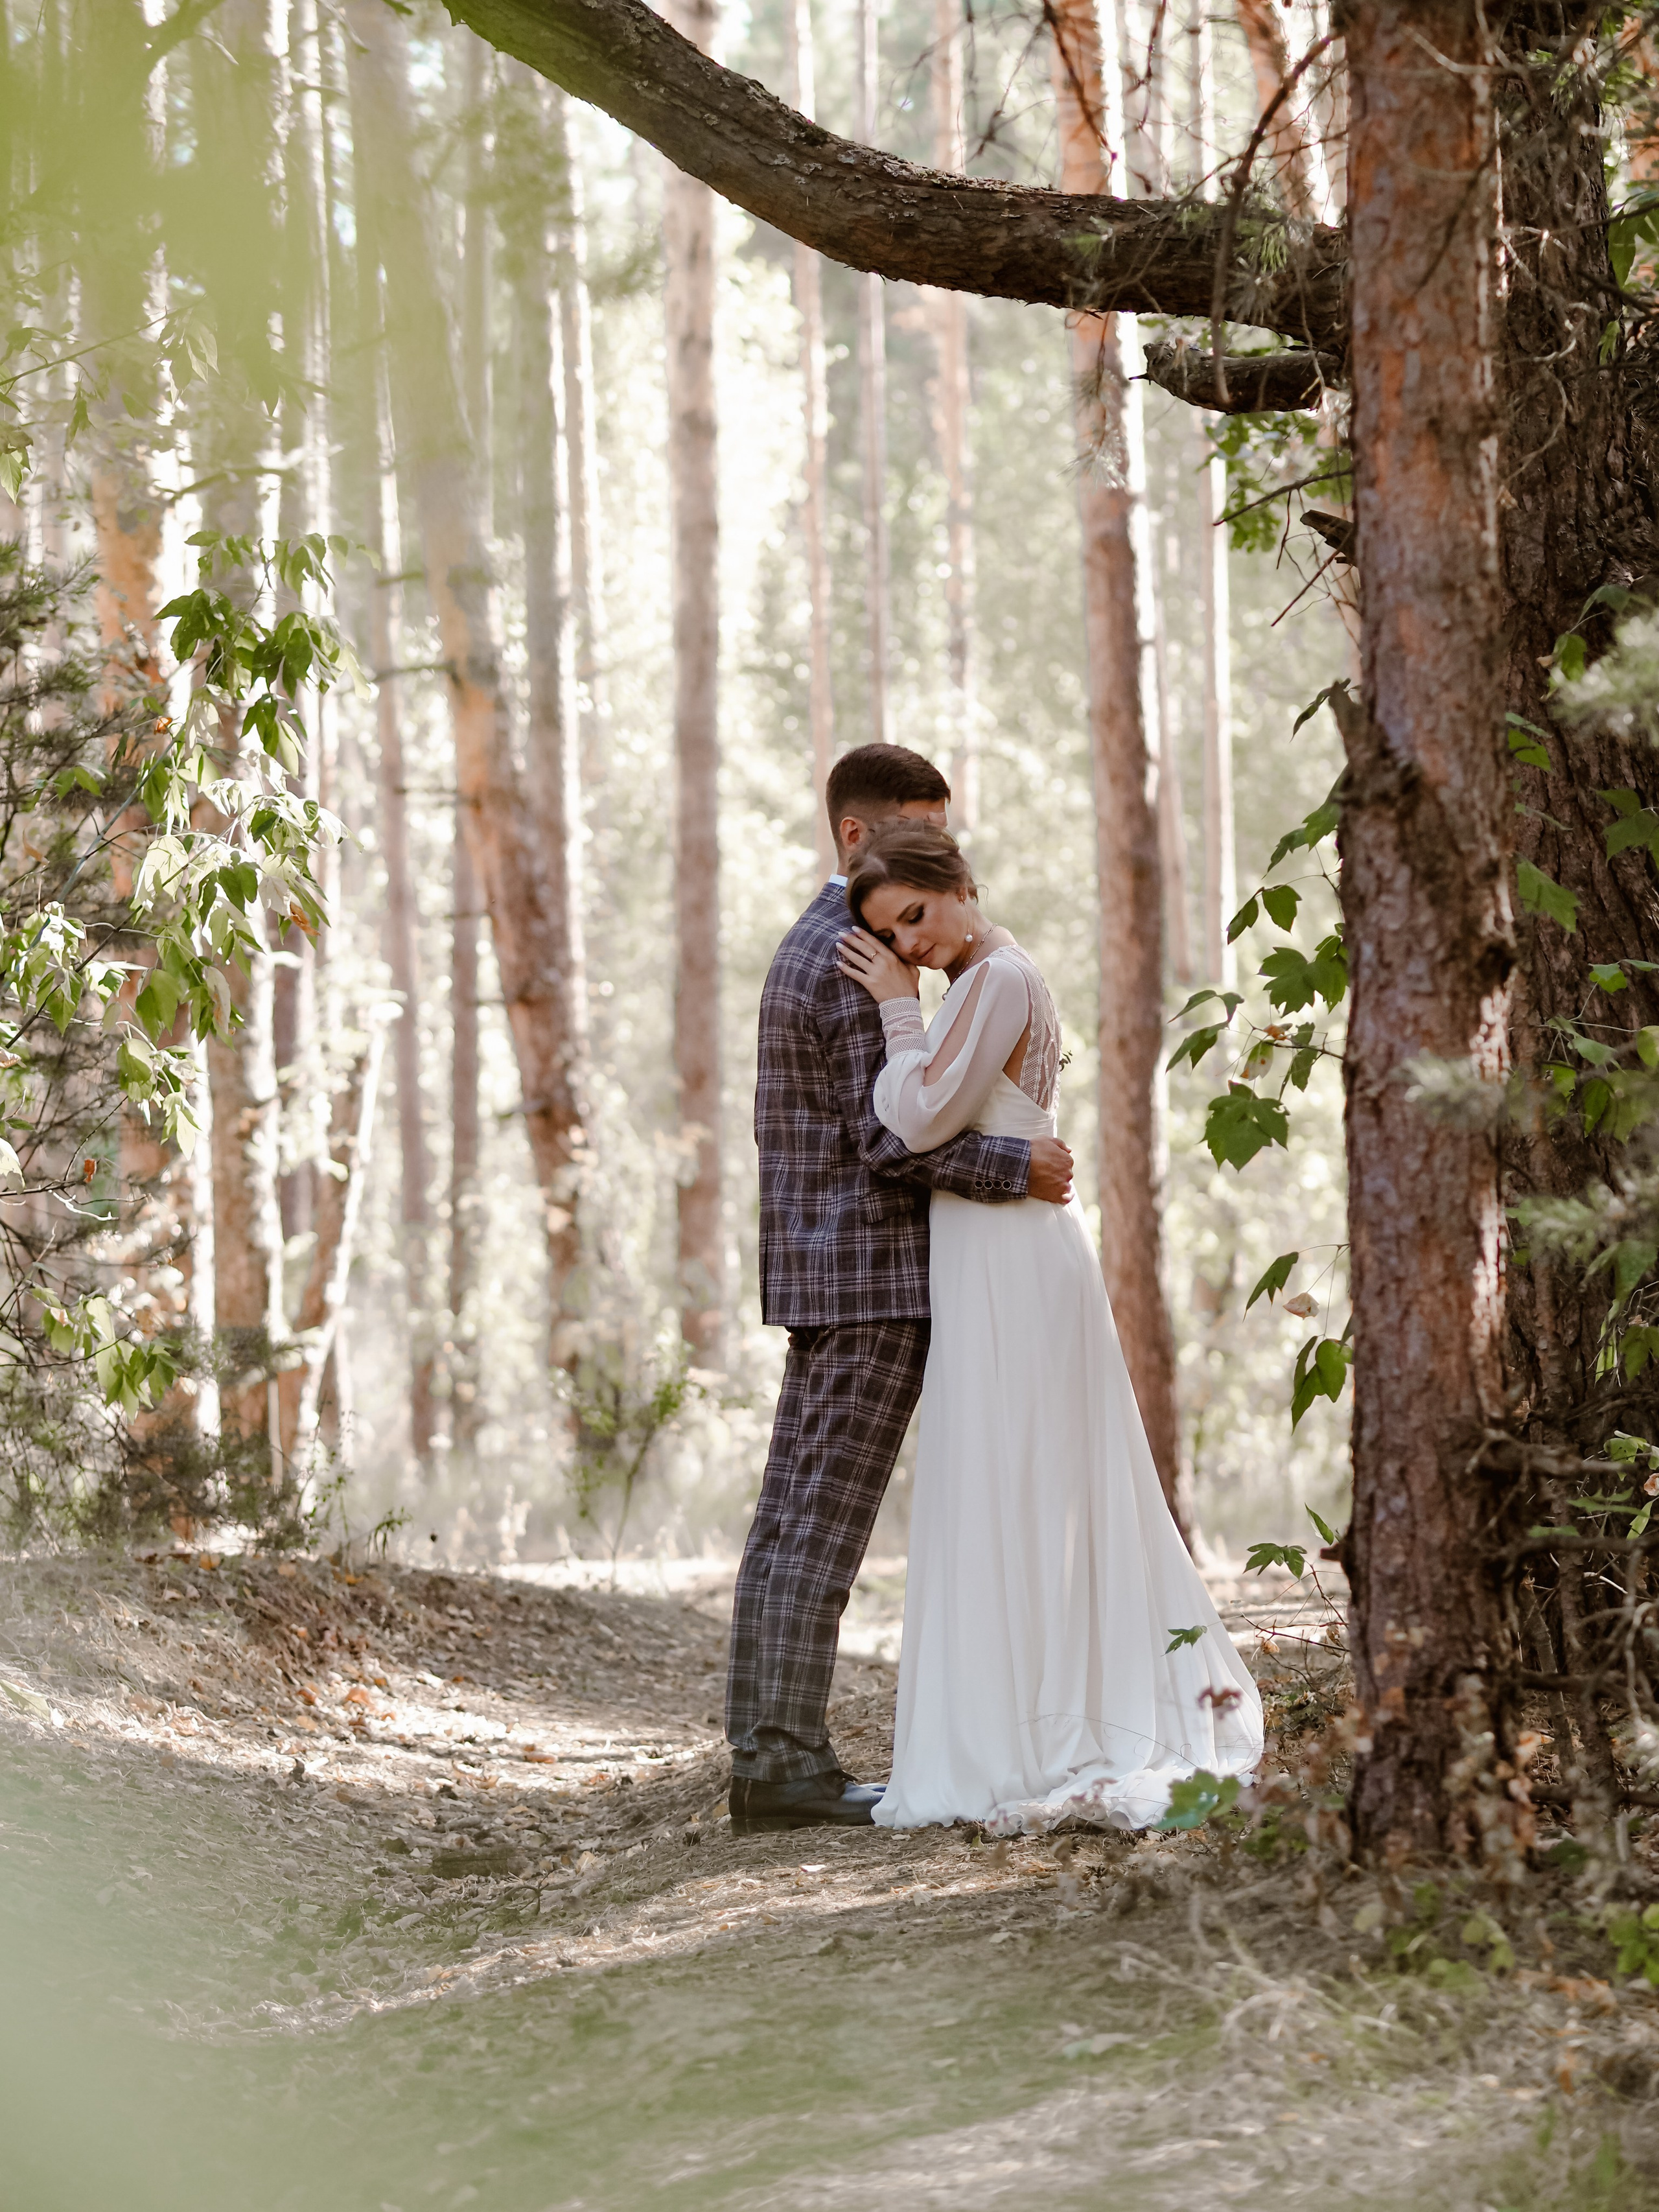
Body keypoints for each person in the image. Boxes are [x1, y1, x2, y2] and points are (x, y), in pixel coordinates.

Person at [836, 821, 1262, 1832]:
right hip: (994, 1247)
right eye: (892, 938)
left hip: (1012, 1255)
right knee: (1008, 1472)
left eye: (915, 917)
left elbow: (918, 1117)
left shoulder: (994, 981)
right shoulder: (988, 976)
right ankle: (1022, 1705)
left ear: (959, 885)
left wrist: (898, 1015)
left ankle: (1044, 1720)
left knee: (1022, 1468)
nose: (908, 947)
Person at [726, 746, 1078, 1834]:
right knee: (817, 1529)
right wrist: (1016, 1169)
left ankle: (769, 1755)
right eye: (917, 826)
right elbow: (890, 1136)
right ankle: (780, 1767)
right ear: (855, 836)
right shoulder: (845, 955)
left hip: (836, 1271)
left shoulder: (831, 940)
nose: (940, 848)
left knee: (794, 1521)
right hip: (868, 1276)